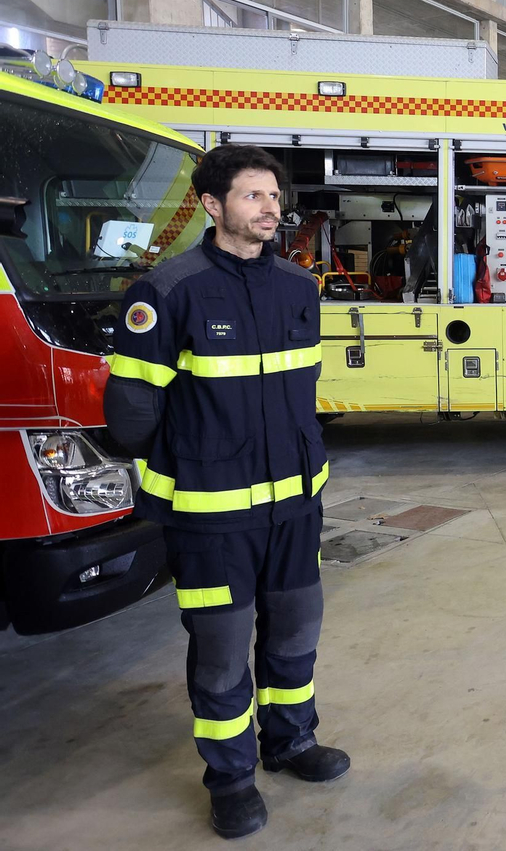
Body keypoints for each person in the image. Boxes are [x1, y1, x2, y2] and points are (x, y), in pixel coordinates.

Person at [103, 144, 349, 839]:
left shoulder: (299, 289)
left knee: (296, 634)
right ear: (213, 206)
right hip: (210, 516)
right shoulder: (168, 292)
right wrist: (197, 461)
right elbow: (131, 417)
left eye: (274, 196)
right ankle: (231, 778)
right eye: (252, 196)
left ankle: (292, 742)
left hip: (295, 507)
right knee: (221, 648)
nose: (270, 209)